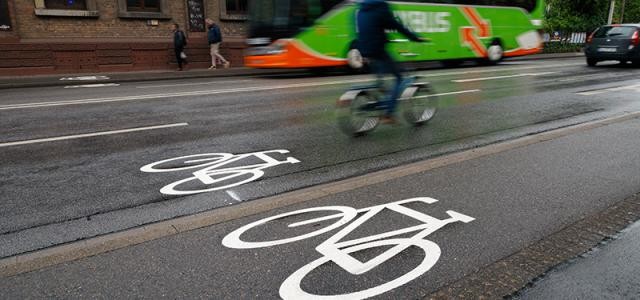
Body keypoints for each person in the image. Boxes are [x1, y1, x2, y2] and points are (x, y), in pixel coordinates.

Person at [356, 0, 424, 124]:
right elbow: (395, 25)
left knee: (380, 78)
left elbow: (373, 26)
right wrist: (415, 37)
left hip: (364, 50)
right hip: (377, 49)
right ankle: (388, 114)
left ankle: (381, 93)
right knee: (399, 78)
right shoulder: (381, 6)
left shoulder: (362, 9)